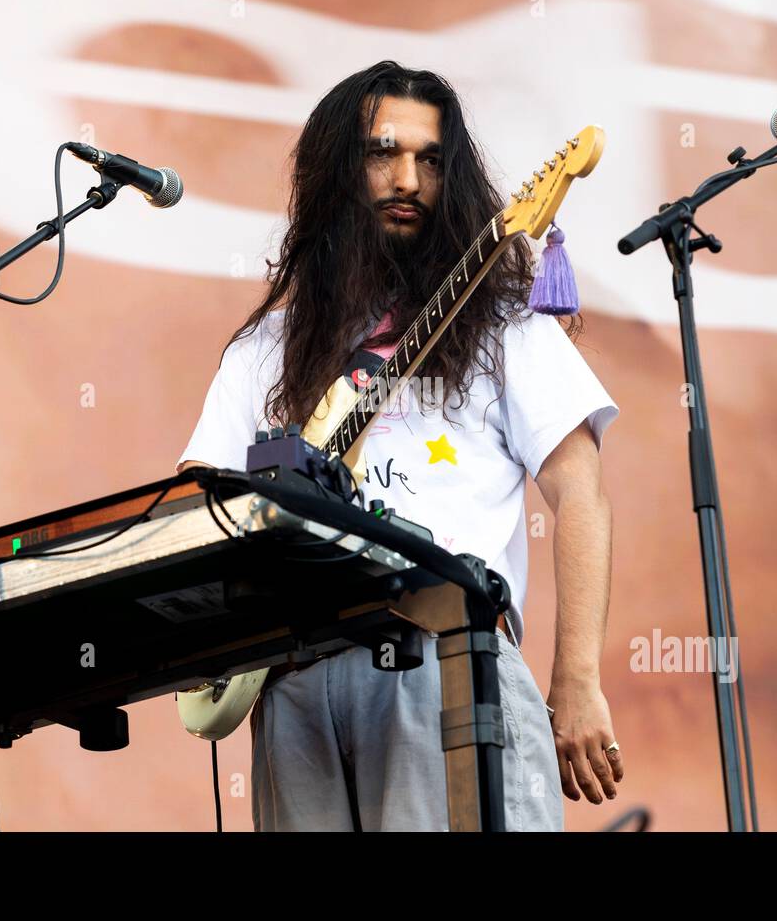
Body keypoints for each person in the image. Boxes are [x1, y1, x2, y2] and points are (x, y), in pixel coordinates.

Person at [177, 60, 622, 831]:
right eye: (383, 154)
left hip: (440, 655)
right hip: (294, 687)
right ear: (337, 171)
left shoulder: (503, 325)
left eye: (431, 159)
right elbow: (195, 505)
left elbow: (579, 491)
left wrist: (576, 677)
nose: (408, 179)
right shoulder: (265, 349)